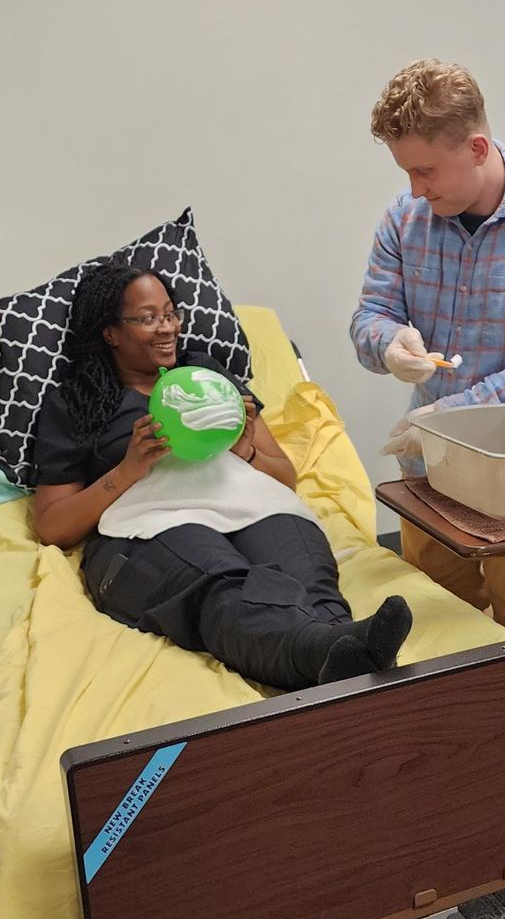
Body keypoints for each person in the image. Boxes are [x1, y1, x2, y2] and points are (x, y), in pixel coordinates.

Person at [33, 259, 412, 689]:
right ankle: (320, 654)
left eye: (171, 313)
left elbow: (282, 475)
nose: (167, 328)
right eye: (147, 318)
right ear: (110, 333)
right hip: (150, 520)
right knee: (222, 585)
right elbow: (51, 525)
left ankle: (340, 650)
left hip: (250, 501)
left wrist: (244, 446)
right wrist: (129, 468)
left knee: (311, 585)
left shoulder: (206, 373)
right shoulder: (76, 402)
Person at [351, 59, 505, 634]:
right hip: (431, 467)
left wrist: (443, 416)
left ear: (477, 148)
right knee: (438, 613)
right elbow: (370, 316)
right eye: (407, 173)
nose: (415, 190)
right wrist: (388, 342)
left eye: (425, 171)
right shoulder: (404, 217)